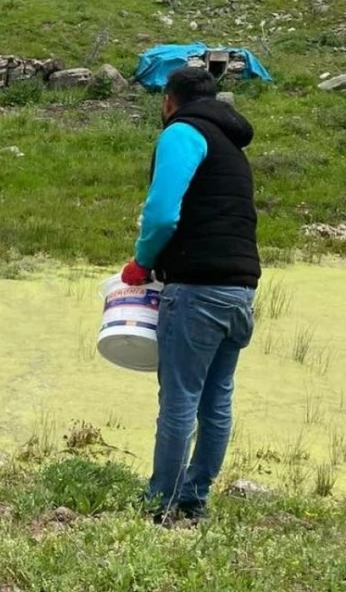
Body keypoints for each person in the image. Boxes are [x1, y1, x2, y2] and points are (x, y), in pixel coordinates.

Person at [121, 67, 260, 523]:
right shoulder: (233, 147)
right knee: (216, 400)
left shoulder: (182, 132)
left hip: (198, 290)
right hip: (240, 291)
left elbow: (162, 213)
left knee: (179, 399)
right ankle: (193, 500)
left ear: (168, 100)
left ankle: (159, 504)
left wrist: (142, 263)